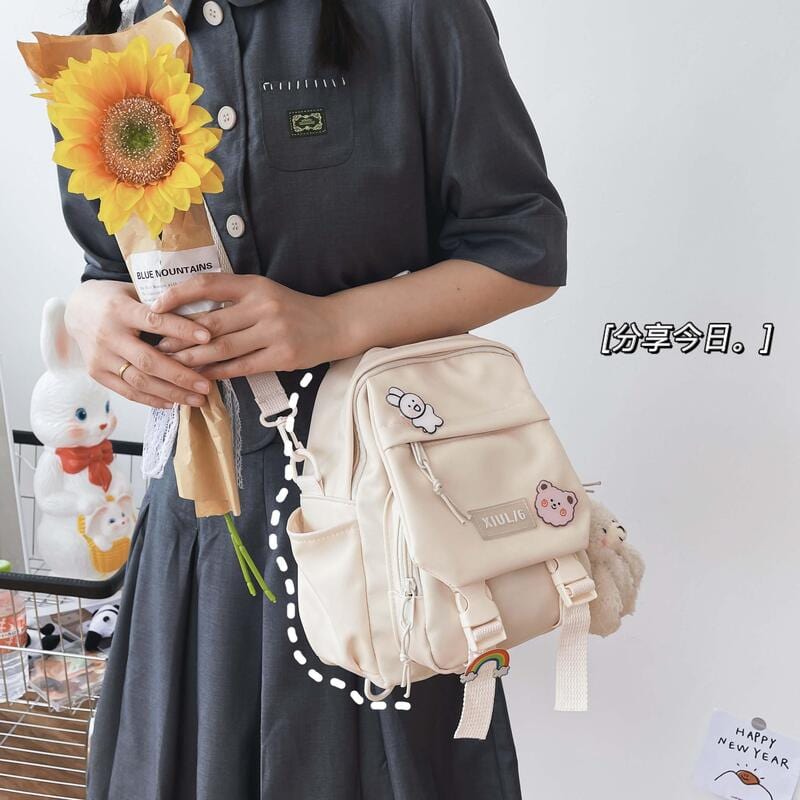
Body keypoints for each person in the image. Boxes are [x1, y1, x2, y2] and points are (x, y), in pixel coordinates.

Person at [62, 0, 569, 797]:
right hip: (195, 532)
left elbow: (524, 246)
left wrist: (335, 323)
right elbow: (109, 266)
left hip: (381, 530)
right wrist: (88, 311)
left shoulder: (415, 14)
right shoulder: (117, 32)